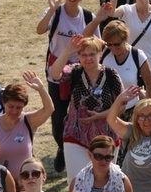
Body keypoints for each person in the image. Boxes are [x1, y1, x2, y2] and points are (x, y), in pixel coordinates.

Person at [36, 0, 100, 174]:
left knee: (79, 112)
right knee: (57, 115)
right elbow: (39, 30)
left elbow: (98, 44)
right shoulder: (55, 13)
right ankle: (62, 147)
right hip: (56, 70)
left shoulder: (88, 17)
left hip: (80, 72)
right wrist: (53, 9)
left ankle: (78, 150)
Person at [50, 34, 123, 184]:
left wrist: (100, 115)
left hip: (106, 137)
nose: (88, 58)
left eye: (92, 54)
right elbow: (54, 74)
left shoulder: (111, 75)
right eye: (83, 55)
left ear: (100, 54)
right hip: (76, 136)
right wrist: (67, 52)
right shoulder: (75, 71)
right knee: (76, 183)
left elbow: (121, 106)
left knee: (106, 183)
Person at [0, 71, 54, 179]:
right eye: (11, 106)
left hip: (27, 182)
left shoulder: (28, 121)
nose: (14, 111)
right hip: (0, 182)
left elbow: (48, 110)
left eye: (19, 108)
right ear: (4, 103)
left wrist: (41, 89)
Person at [100, 20, 151, 118]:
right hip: (107, 110)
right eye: (109, 44)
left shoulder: (137, 55)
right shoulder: (103, 52)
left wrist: (147, 106)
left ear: (125, 39)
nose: (113, 48)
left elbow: (150, 83)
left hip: (131, 111)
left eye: (117, 44)